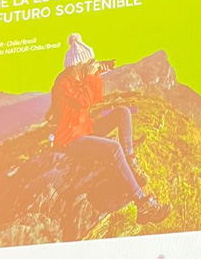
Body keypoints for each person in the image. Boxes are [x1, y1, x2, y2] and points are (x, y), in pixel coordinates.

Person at [46, 33, 170, 225]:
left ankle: (131, 162)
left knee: (123, 112)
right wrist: (89, 77)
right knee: (113, 148)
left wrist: (94, 76)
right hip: (70, 138)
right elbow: (84, 101)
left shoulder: (80, 80)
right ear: (78, 65)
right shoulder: (64, 85)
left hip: (85, 129)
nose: (92, 65)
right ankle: (143, 204)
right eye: (89, 63)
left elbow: (97, 97)